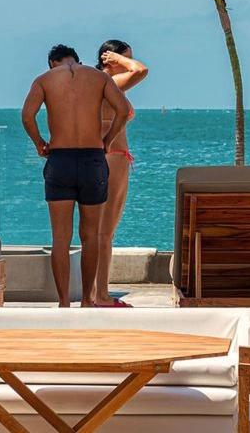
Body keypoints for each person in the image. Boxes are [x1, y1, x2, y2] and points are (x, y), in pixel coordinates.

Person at [21, 44, 130, 308]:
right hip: (93, 158)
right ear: (77, 60)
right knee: (91, 235)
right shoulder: (100, 78)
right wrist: (108, 140)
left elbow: (27, 116)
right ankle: (86, 301)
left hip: (60, 159)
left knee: (60, 237)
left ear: (52, 63)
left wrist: (39, 143)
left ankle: (63, 303)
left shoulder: (44, 79)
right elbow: (123, 111)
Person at [94, 40, 148, 308]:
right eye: (126, 57)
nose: (130, 61)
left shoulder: (98, 85)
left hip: (109, 158)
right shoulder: (109, 84)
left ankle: (96, 292)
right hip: (113, 159)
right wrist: (120, 59)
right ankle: (101, 295)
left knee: (100, 231)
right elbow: (141, 70)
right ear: (110, 58)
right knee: (105, 232)